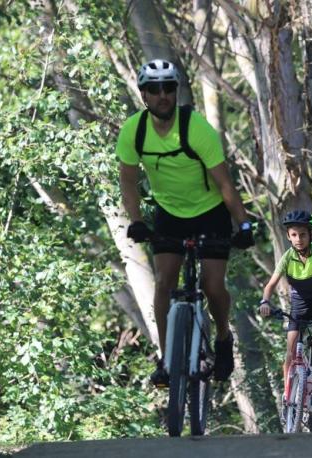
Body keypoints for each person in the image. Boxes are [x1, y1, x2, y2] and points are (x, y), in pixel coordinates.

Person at [116, 59, 255, 387]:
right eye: (154, 89)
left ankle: (222, 338)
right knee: (164, 283)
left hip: (210, 213)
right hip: (170, 214)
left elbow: (225, 184)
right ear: (143, 95)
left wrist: (244, 225)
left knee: (212, 286)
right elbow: (128, 181)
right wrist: (136, 221)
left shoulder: (196, 129)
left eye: (168, 88)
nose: (162, 95)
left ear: (176, 92)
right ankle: (167, 362)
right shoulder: (133, 132)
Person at [258, 210, 312, 404]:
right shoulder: (287, 257)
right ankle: (287, 394)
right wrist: (265, 301)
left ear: (310, 234)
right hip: (298, 308)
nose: (298, 239)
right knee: (290, 351)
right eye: (294, 235)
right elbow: (271, 284)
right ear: (288, 236)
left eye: (303, 234)